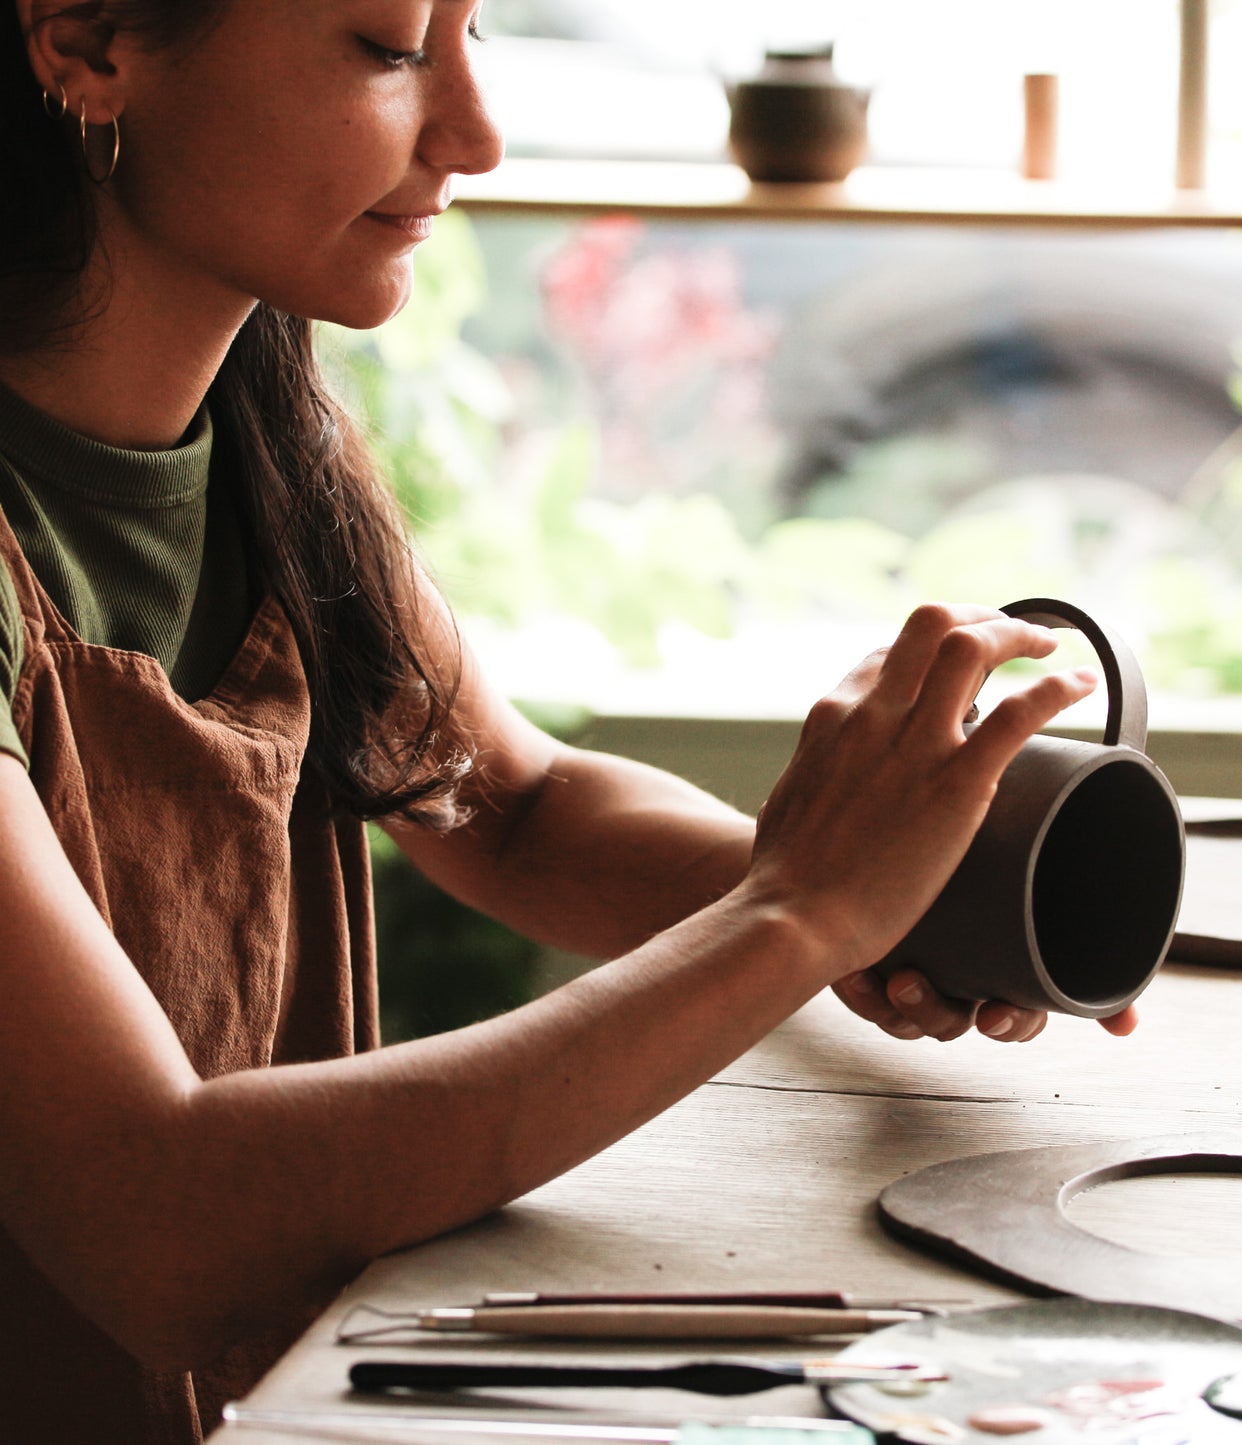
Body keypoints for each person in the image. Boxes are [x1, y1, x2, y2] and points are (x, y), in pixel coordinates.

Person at [0, 2, 1138, 1441]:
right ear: (90, 38)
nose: (476, 134)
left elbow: (515, 808)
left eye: (476, 33)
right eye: (390, 47)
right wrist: (794, 915)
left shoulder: (262, 435)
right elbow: (152, 1218)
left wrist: (898, 892)